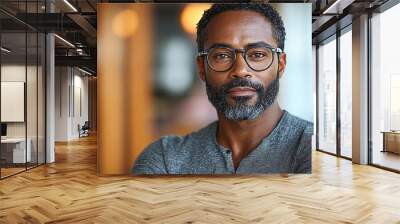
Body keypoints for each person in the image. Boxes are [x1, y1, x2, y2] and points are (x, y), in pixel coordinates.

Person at [132, 3, 313, 174]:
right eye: (222, 56)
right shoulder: (165, 159)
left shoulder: (311, 146)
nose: (240, 70)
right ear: (202, 68)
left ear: (281, 65)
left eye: (257, 55)